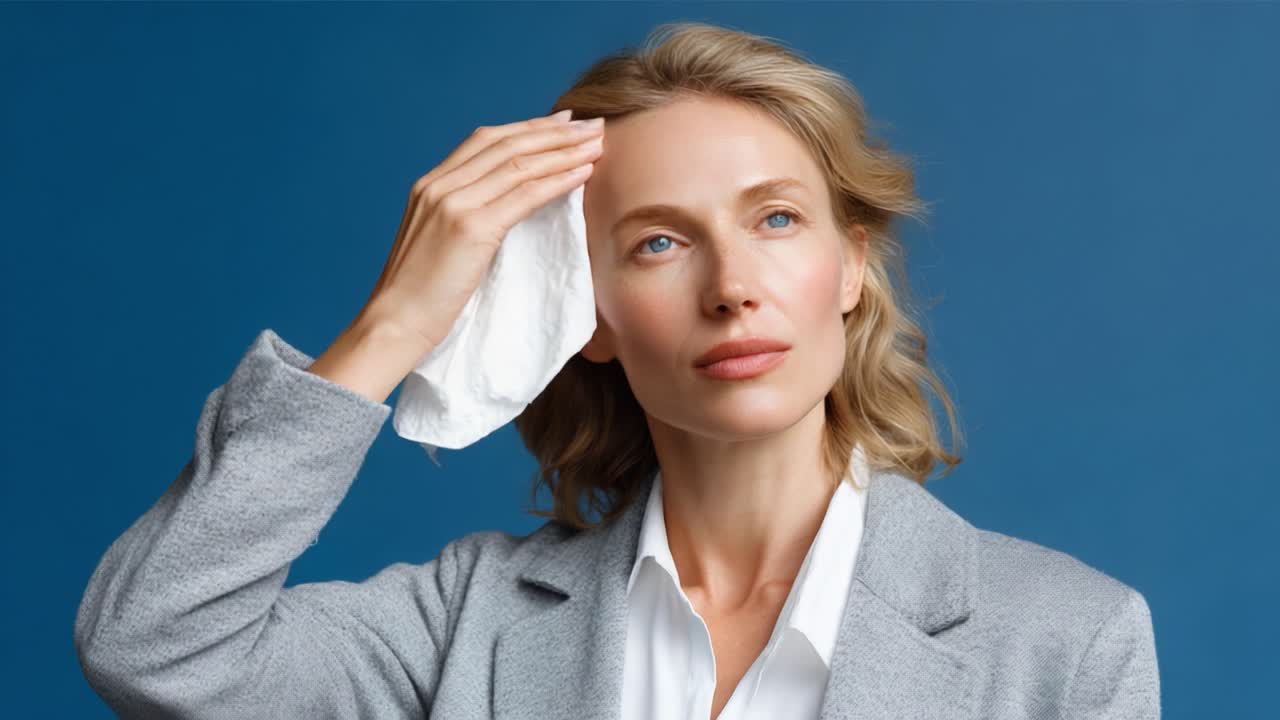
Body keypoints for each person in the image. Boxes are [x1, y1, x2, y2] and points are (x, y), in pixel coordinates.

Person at [74, 21, 1160, 720]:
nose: (731, 286)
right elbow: (154, 645)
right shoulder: (465, 622)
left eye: (776, 219)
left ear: (852, 268)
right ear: (586, 314)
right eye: (658, 242)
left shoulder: (1066, 639)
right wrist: (396, 324)